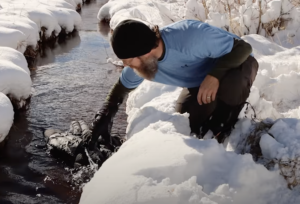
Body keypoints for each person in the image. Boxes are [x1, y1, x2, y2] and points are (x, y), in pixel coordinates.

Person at [90, 19, 259, 145]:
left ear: (146, 52)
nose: (126, 65)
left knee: (231, 88)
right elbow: (121, 88)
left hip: (238, 63)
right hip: (200, 80)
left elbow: (244, 48)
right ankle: (215, 117)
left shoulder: (191, 37)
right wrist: (105, 115)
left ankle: (230, 124)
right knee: (186, 124)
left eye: (128, 61)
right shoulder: (141, 63)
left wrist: (214, 76)